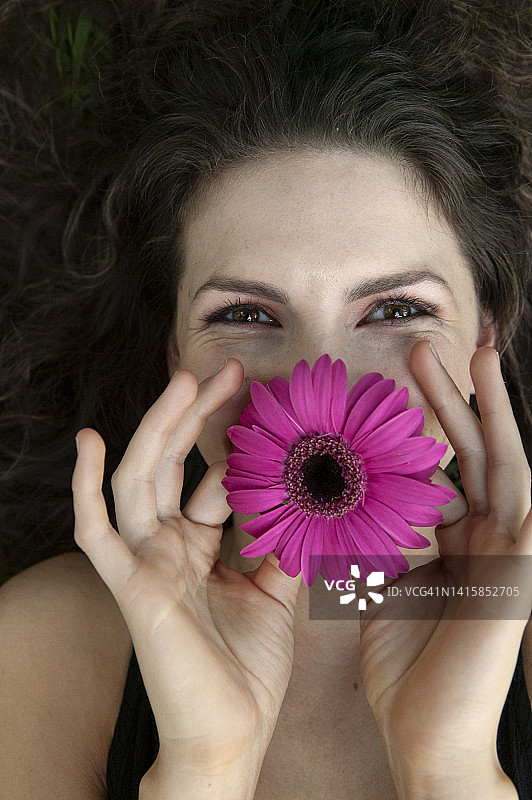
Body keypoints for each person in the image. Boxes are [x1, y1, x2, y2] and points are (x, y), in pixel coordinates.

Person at [0, 1, 530, 798]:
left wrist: (448, 769)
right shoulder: (43, 645)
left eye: (394, 310)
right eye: (245, 315)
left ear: (488, 330)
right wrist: (202, 768)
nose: (321, 380)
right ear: (174, 347)